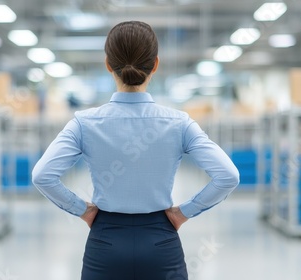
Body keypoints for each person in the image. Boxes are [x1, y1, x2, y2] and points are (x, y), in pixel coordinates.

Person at [32, 21, 240, 280]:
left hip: (105, 241)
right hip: (161, 241)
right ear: (155, 64)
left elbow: (42, 176)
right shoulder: (179, 122)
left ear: (108, 64)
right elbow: (228, 176)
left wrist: (82, 210)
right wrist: (184, 212)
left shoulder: (84, 123)